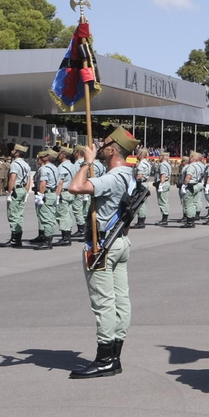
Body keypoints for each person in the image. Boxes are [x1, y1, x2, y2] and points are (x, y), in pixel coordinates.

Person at [67, 128, 140, 379]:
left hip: (103, 247)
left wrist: (87, 162)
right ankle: (115, 354)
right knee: (121, 300)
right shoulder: (130, 176)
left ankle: (105, 358)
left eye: (104, 144)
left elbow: (74, 187)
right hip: (120, 242)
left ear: (111, 150)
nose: (99, 146)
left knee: (104, 303)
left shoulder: (112, 178)